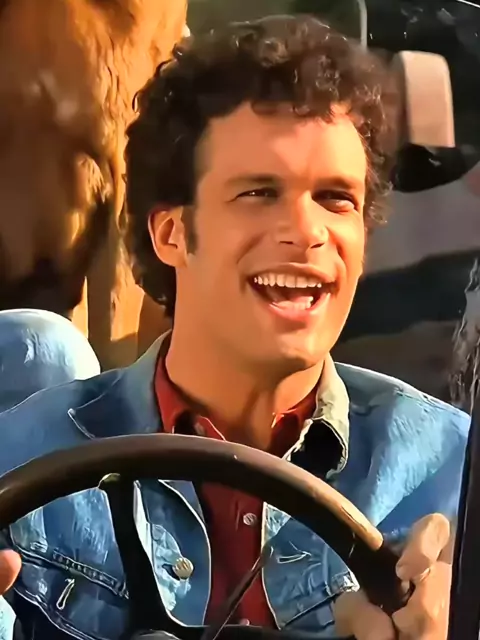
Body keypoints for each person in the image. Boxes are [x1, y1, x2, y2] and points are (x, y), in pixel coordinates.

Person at [0, 15, 469, 640]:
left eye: (336, 198)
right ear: (172, 233)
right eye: (259, 193)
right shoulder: (19, 455)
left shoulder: (453, 475)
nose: (307, 231)